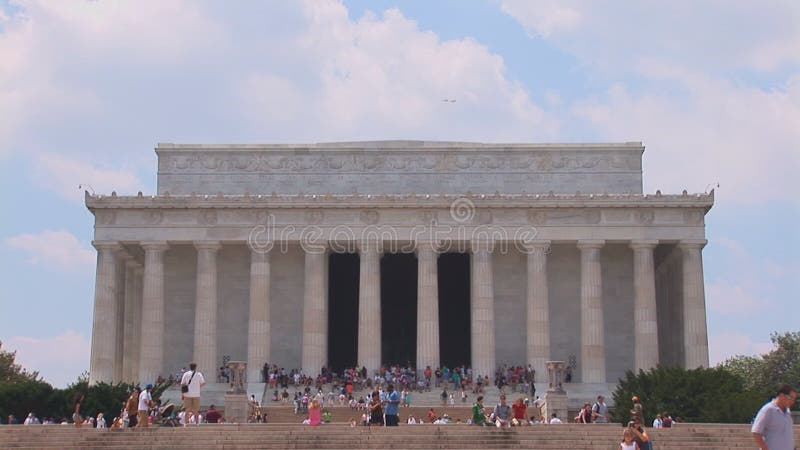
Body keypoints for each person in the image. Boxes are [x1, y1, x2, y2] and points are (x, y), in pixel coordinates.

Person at [752, 383, 797, 450]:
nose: (792, 402)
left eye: (794, 399)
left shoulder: (788, 412)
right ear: (782, 395)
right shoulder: (768, 409)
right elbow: (756, 432)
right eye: (791, 398)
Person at [180, 362, 207, 427]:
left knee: (187, 409)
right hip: (196, 394)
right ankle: (197, 423)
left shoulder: (186, 374)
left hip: (187, 394)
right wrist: (197, 386)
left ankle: (186, 423)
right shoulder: (199, 374)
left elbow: (182, 384)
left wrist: (182, 394)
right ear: (195, 367)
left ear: (190, 367)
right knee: (196, 410)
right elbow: (203, 383)